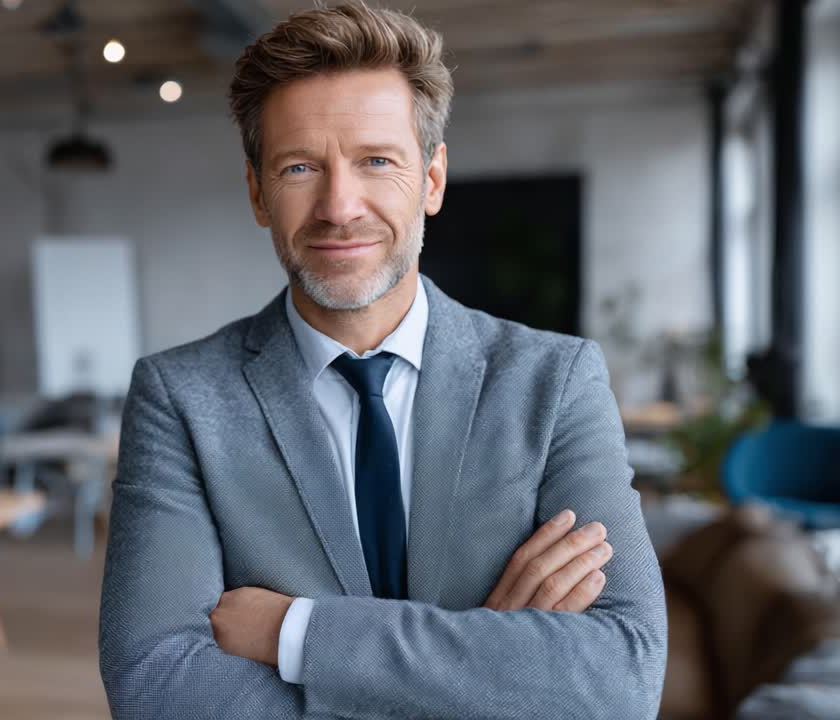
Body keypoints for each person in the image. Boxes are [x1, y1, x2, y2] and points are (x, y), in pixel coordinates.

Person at [98, 3, 667, 718]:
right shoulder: (181, 398)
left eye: (376, 161)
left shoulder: (555, 382)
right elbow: (155, 687)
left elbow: (623, 679)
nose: (340, 206)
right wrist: (490, 665)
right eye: (300, 166)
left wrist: (296, 634)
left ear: (431, 180)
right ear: (257, 193)